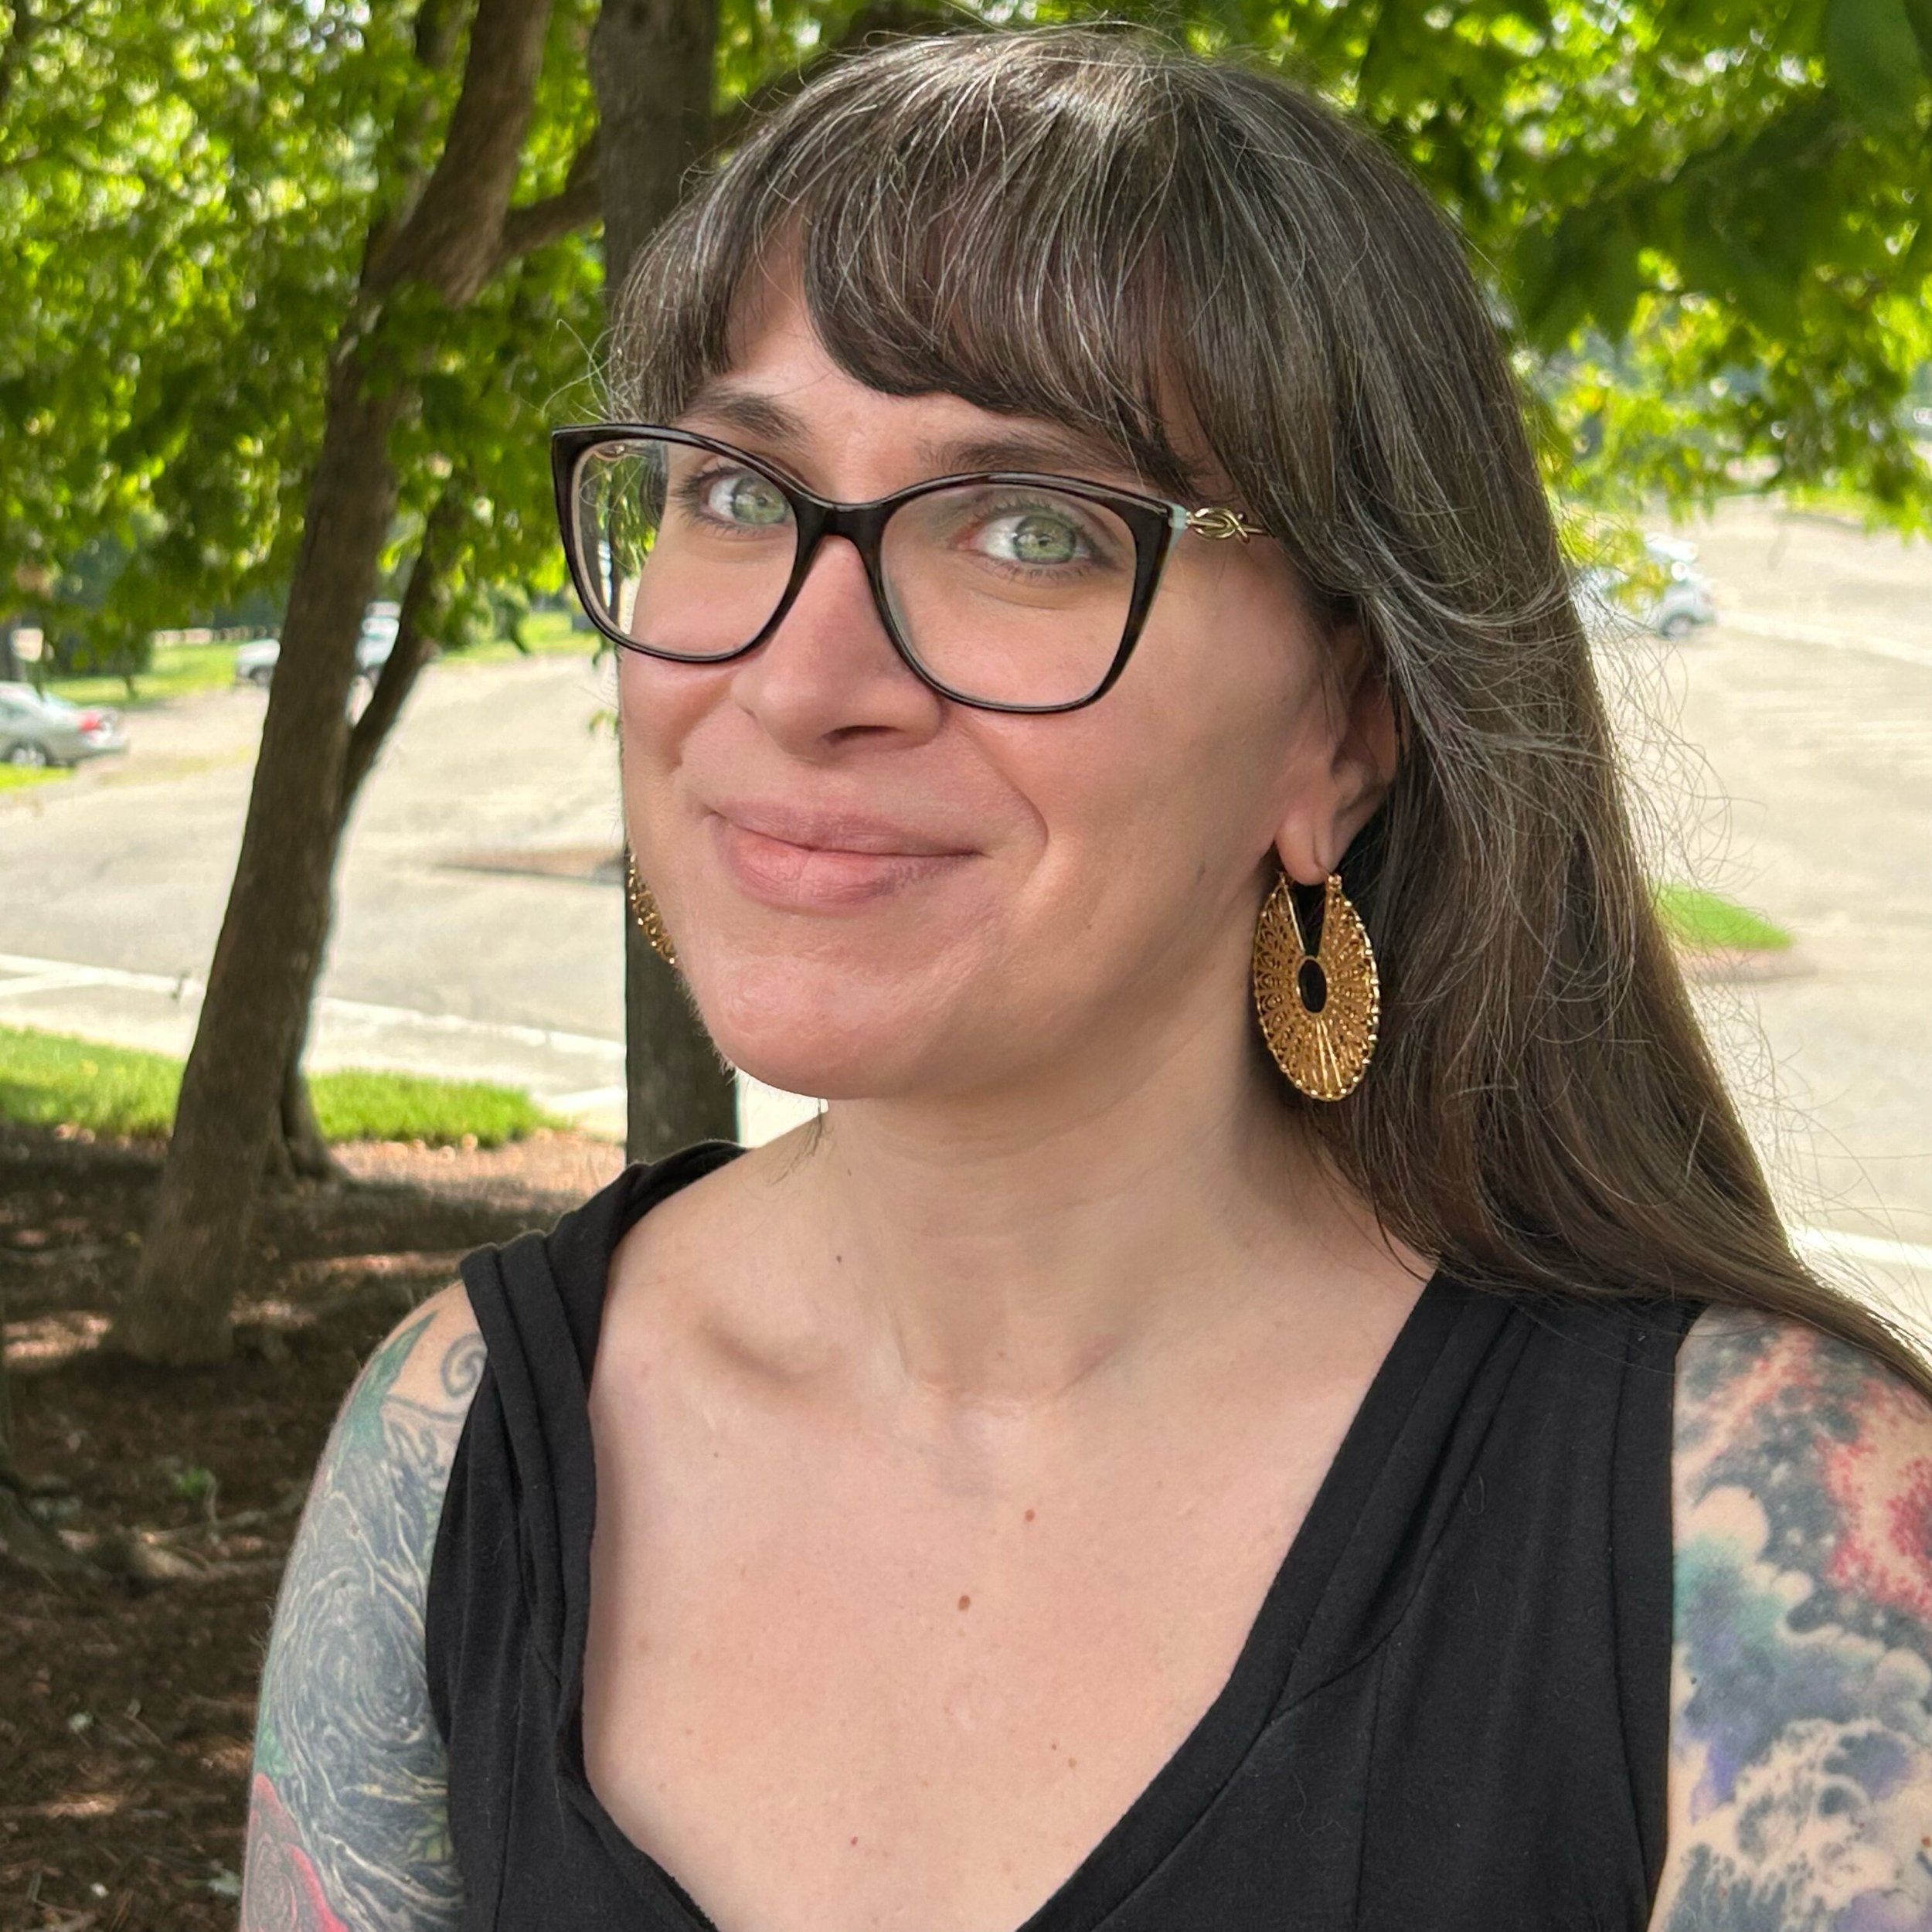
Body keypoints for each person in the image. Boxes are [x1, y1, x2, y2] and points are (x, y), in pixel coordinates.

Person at [239, 29, 1932, 1932]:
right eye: (730, 491)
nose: (799, 681)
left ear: (1344, 733)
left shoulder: (1763, 1550)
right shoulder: (457, 1442)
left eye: (1030, 527)